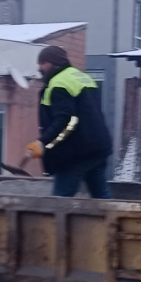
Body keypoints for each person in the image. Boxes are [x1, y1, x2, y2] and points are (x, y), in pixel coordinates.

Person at [25, 45, 113, 198]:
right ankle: (113, 220)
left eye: (43, 63)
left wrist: (43, 142)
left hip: (75, 153)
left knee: (60, 201)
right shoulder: (83, 77)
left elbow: (66, 120)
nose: (40, 68)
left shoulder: (58, 84)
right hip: (98, 148)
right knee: (102, 197)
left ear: (53, 62)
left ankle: (57, 222)